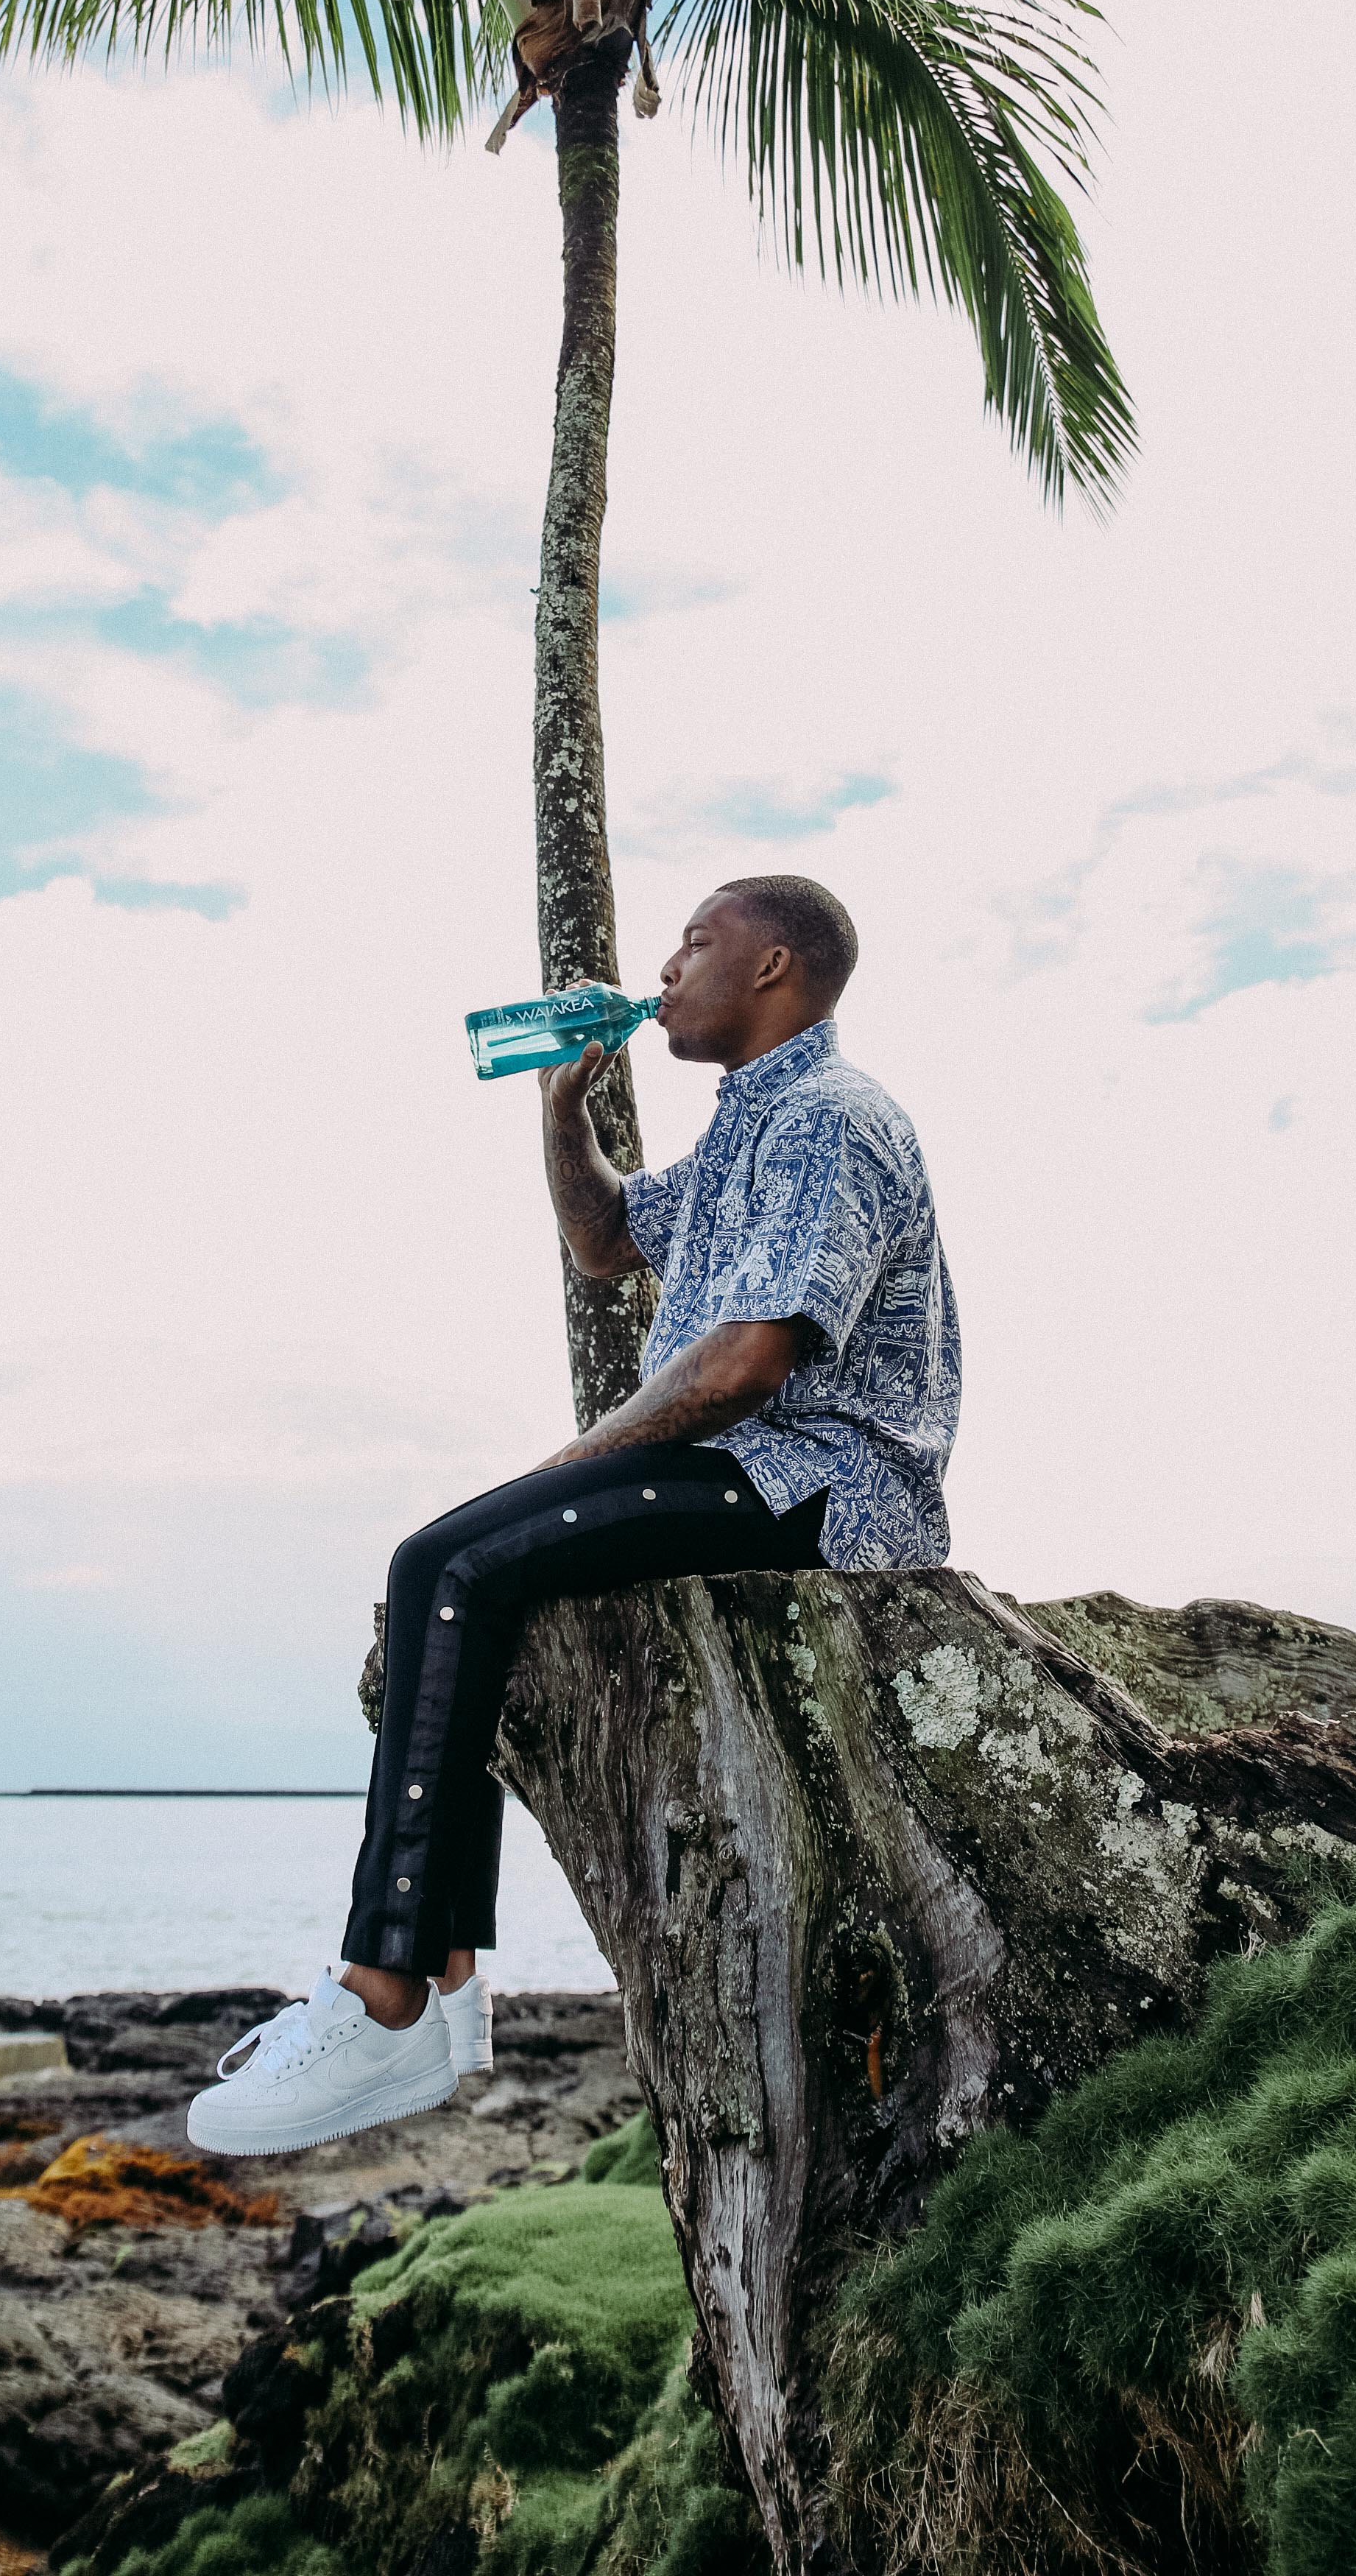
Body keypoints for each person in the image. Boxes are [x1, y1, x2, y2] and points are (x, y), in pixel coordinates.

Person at [186, 873, 961, 2156]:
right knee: (456, 1569)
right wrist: (565, 1112)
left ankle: (389, 1999)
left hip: (825, 1485)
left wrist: (580, 1456)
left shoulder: (832, 1117)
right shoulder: (747, 1127)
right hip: (757, 1469)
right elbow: (608, 1241)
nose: (662, 967)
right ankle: (433, 1994)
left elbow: (749, 1362)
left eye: (694, 943)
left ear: (773, 968)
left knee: (452, 1559)